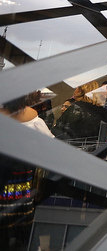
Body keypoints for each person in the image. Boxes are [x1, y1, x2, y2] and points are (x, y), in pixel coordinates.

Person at [0, 95, 54, 249]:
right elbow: (50, 149)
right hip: (23, 185)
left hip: (5, 183)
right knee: (21, 235)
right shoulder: (33, 118)